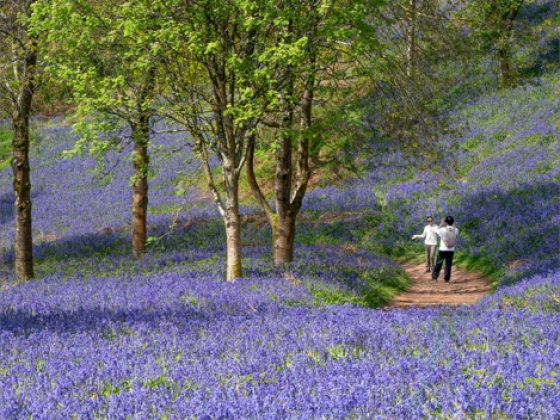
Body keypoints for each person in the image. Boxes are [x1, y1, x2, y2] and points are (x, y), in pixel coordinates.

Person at [432, 215, 459, 283]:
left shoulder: (442, 229)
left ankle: (435, 278)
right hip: (451, 250)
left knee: (438, 263)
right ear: (452, 222)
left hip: (442, 249)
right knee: (448, 264)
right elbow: (454, 228)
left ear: (446, 222)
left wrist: (441, 223)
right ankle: (446, 279)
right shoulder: (456, 230)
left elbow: (435, 231)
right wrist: (452, 223)